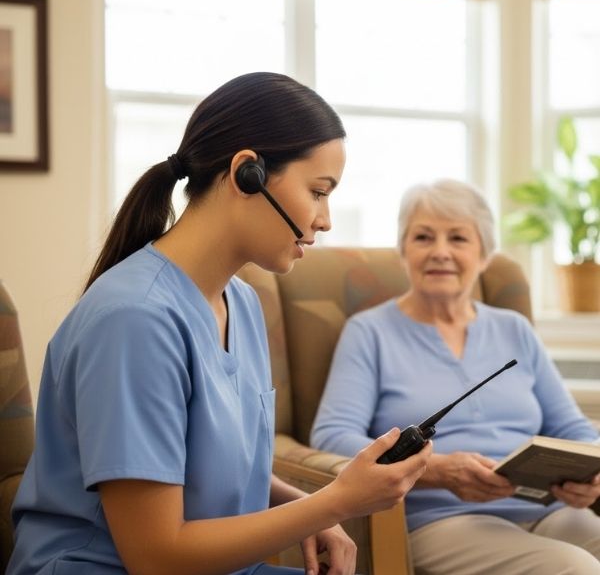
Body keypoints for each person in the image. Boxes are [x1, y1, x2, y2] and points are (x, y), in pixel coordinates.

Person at [7, 72, 431, 575]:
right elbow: (156, 555)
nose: (325, 219)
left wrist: (303, 508)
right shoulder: (134, 321)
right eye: (318, 191)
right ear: (246, 173)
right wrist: (334, 502)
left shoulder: (243, 304)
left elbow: (209, 467)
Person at [311, 178, 600, 574]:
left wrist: (592, 473)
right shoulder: (369, 332)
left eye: (459, 238)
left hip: (542, 506)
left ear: (484, 255)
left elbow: (572, 427)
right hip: (437, 518)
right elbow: (332, 436)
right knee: (575, 568)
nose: (440, 252)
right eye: (424, 237)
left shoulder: (514, 329)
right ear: (403, 251)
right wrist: (437, 470)